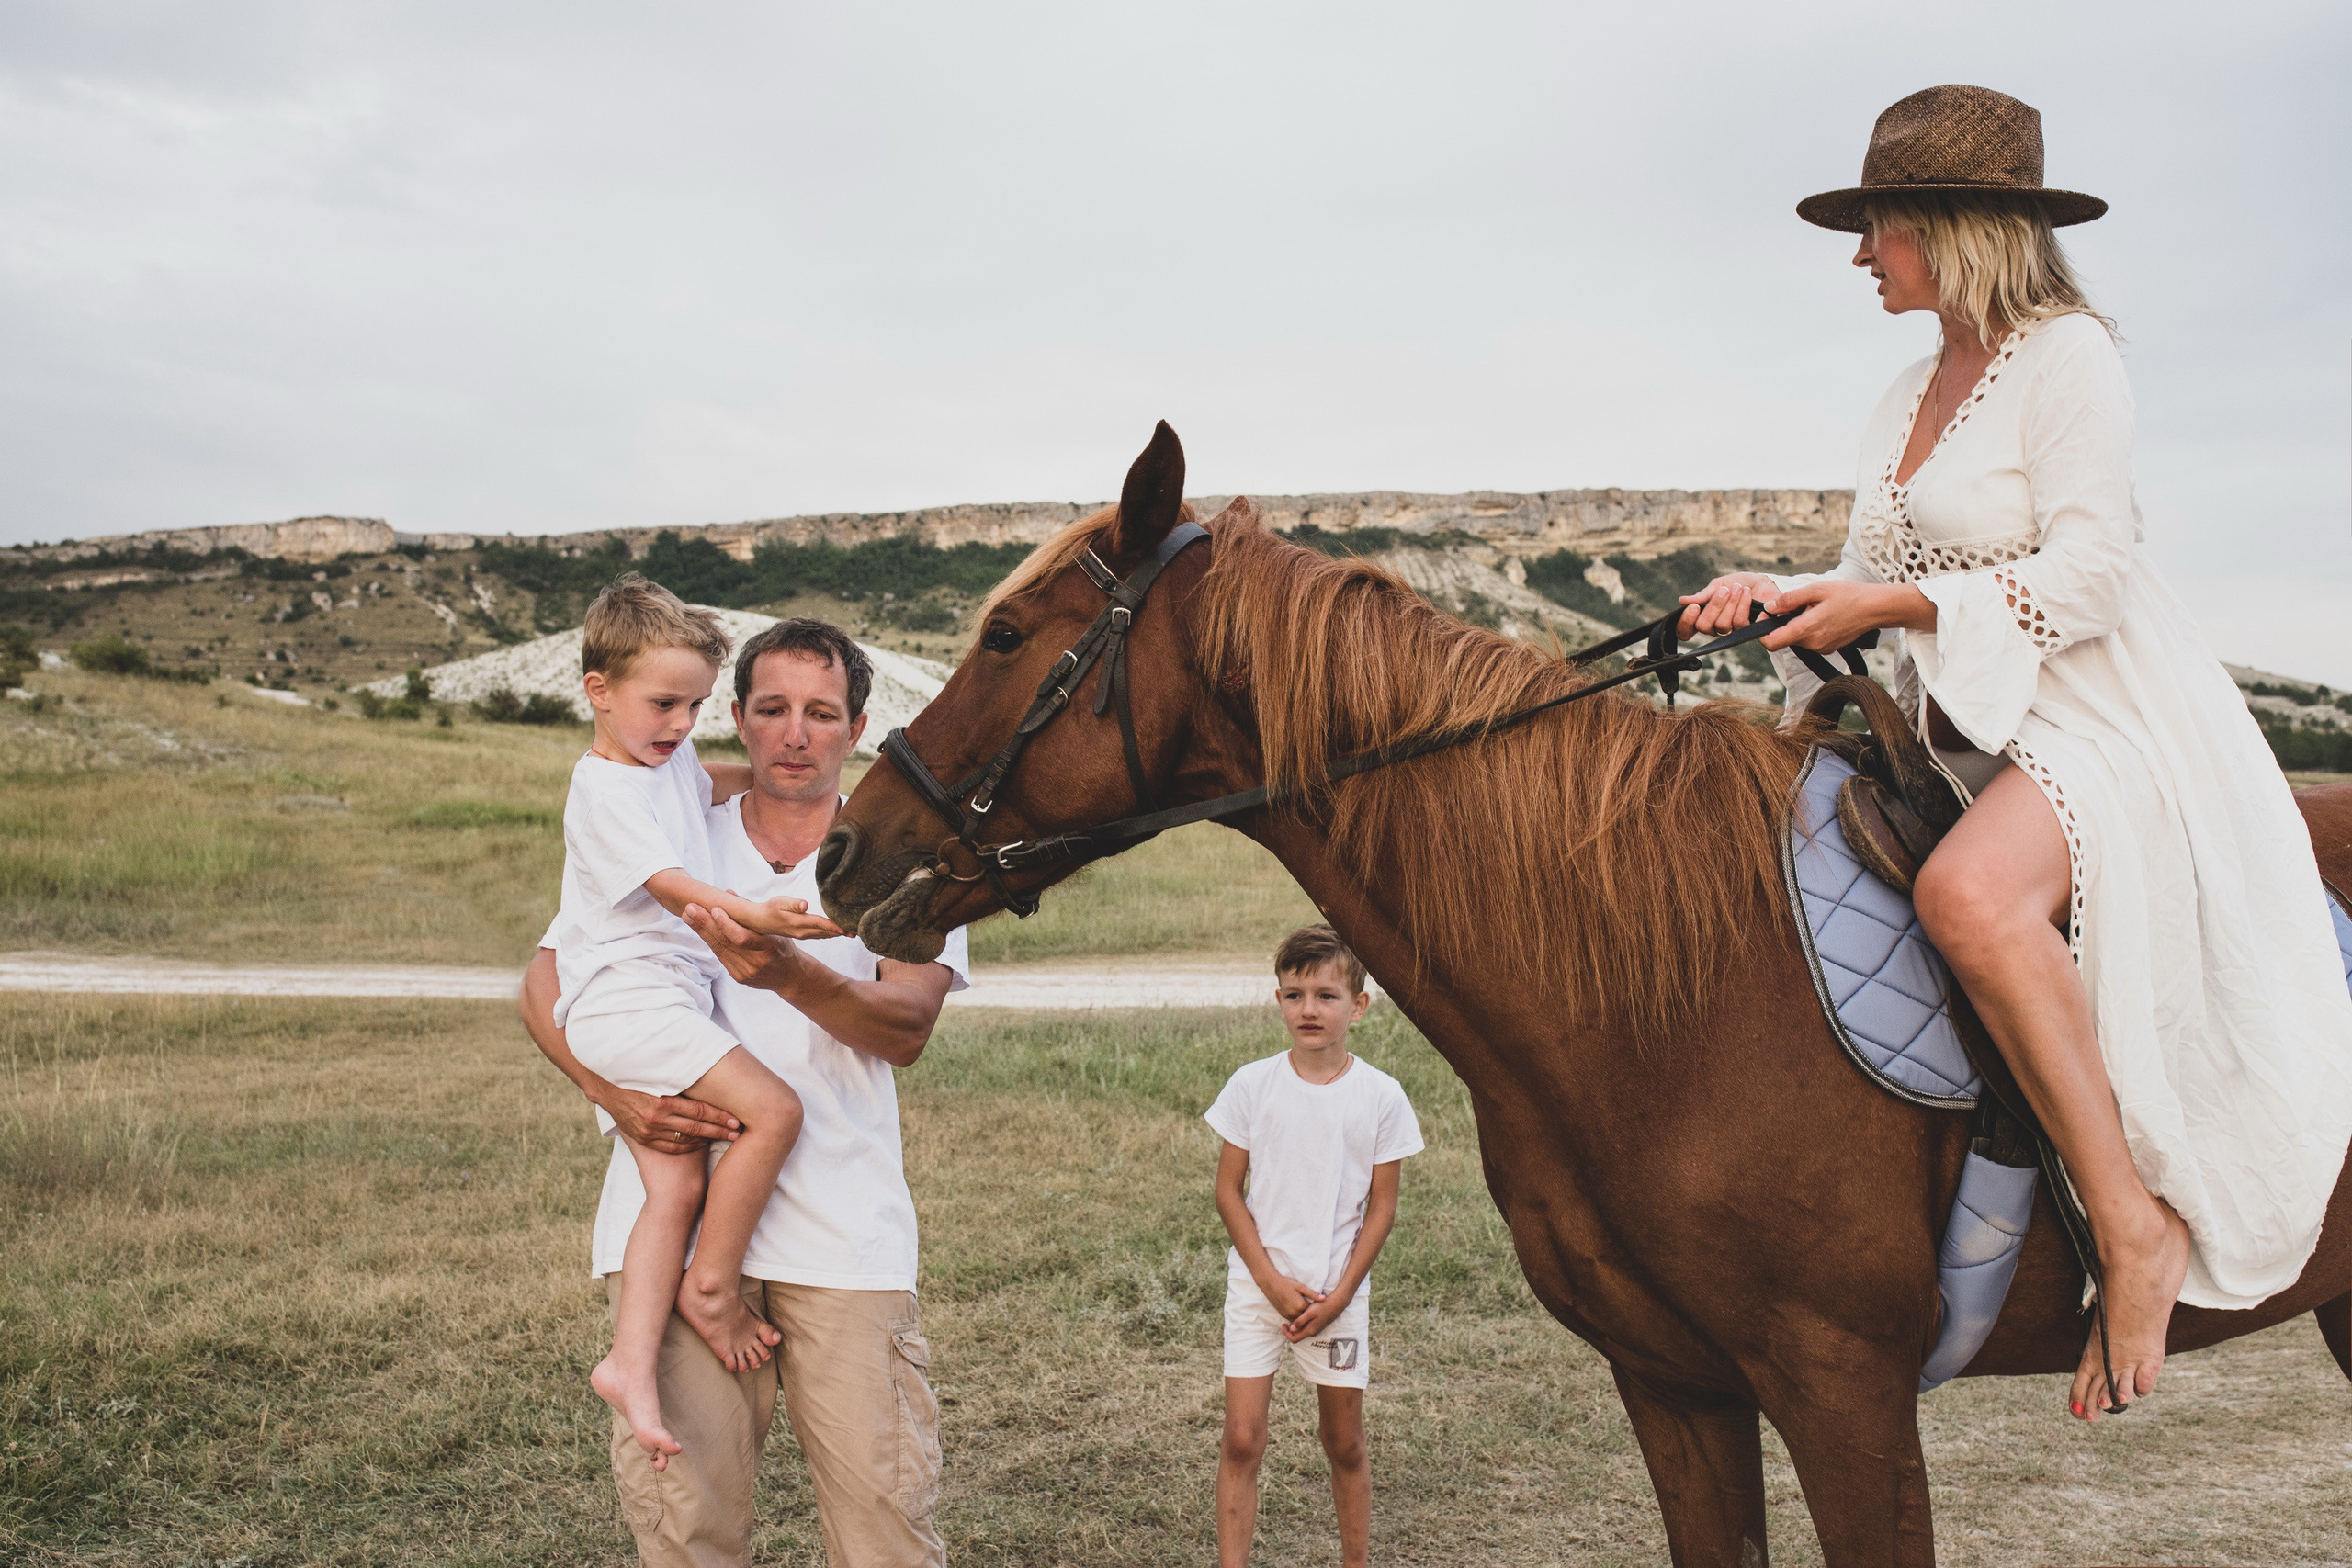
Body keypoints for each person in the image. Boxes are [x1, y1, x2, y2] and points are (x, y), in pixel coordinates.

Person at [1676, 85, 2352, 1421]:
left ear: (1949, 226)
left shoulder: (2068, 358)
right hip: (1972, 723)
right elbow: (1872, 570)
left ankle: (2132, 1224)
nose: (1859, 255)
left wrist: (1893, 604)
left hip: (2100, 713)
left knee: (1970, 898)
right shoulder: (1905, 391)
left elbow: (2092, 573)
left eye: (1876, 227)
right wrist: (1782, 590)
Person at [522, 616, 967, 1568]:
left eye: (821, 713)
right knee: (687, 1531)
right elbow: (544, 981)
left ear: (857, 727)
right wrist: (613, 1095)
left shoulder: (902, 861)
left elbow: (907, 1027)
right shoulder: (672, 824)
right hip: (672, 1232)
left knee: (885, 1528)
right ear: (736, 716)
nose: (794, 735)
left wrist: (782, 971)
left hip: (843, 1235)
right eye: (772, 710)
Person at [553, 575, 833, 1467]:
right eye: (663, 704)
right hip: (630, 1004)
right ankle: (711, 1287)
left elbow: (713, 781)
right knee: (775, 1111)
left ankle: (629, 1366)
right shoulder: (604, 789)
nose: (680, 724)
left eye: (697, 706)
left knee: (673, 1189)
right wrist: (760, 915)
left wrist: (798, 779)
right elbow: (674, 887)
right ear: (598, 690)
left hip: (652, 1001)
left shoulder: (663, 761)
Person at [1205, 926, 1423, 1568]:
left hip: (1335, 1294)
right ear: (1278, 999)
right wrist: (1271, 1282)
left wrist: (1340, 1297)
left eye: (1327, 995)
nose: (1309, 1009)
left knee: (1344, 1441)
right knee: (1241, 1439)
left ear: (1358, 1006)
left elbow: (1382, 1207)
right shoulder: (1252, 1084)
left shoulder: (1381, 1096)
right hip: (1258, 1288)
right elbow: (1227, 1190)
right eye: (1295, 994)